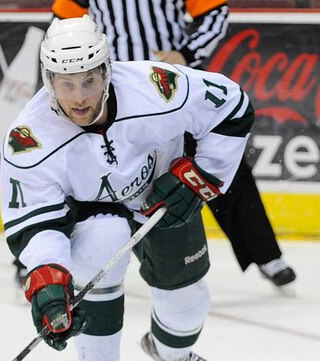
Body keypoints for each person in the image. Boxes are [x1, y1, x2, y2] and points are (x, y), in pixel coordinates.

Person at [0, 16, 255, 361]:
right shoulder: (30, 138)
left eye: (88, 81)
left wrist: (201, 177)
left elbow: (233, 105)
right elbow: (34, 222)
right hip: (91, 211)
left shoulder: (156, 87)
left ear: (107, 71)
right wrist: (47, 280)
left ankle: (170, 351)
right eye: (66, 84)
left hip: (164, 202)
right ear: (49, 81)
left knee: (186, 302)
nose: (78, 97)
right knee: (100, 242)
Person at [17, 0, 296, 290]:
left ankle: (267, 255)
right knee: (78, 175)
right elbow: (62, 26)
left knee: (219, 162)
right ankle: (37, 261)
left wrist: (188, 53)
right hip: (108, 94)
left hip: (168, 89)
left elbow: (215, 11)